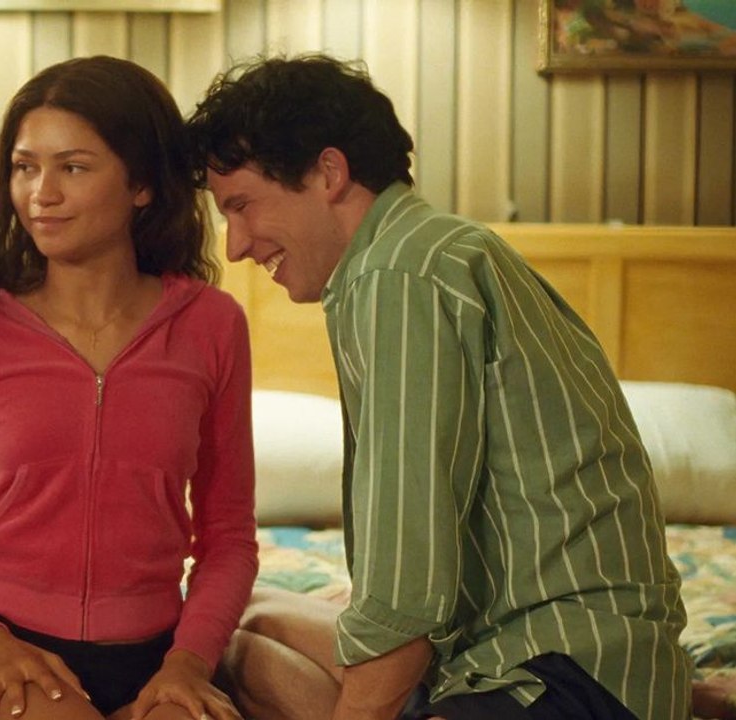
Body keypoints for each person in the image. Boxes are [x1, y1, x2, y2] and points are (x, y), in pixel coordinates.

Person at [185, 54, 691, 720]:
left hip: (560, 670)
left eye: (242, 207)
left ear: (328, 174)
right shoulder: (428, 250)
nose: (236, 246)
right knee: (240, 626)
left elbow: (408, 583)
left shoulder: (398, 278)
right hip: (512, 650)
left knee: (276, 654)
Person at [0, 56, 257, 720]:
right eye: (25, 167)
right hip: (5, 654)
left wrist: (189, 663)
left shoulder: (211, 325)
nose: (40, 194)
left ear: (141, 184)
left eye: (73, 168)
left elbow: (228, 539)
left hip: (163, 657)